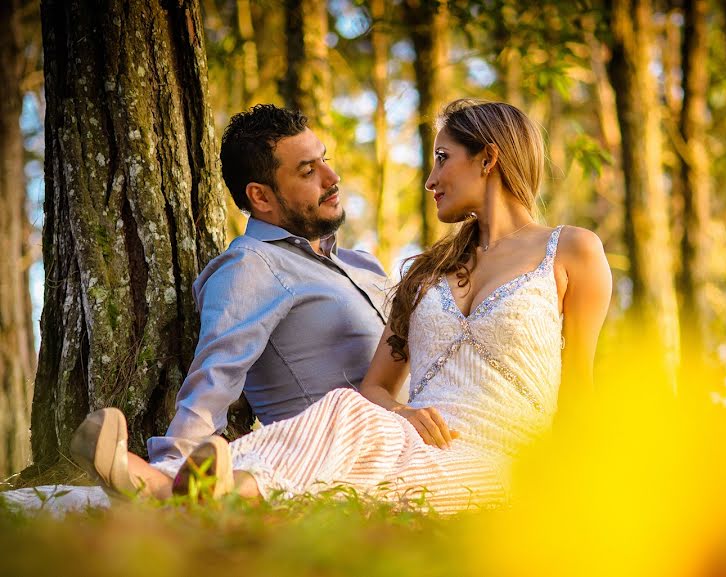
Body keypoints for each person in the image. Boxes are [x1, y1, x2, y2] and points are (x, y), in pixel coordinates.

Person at [70, 99, 613, 513]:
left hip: (507, 459)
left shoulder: (573, 251)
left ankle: (169, 486)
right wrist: (402, 413)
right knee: (347, 408)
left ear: (489, 158)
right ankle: (186, 486)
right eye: (308, 170)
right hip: (412, 442)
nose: (429, 179)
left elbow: (581, 394)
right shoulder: (424, 273)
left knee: (348, 415)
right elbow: (370, 387)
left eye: (443, 159)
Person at [147, 105, 392, 467]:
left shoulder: (361, 264)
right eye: (309, 171)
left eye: (324, 160)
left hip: (424, 443)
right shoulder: (251, 265)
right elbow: (215, 377)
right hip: (340, 462)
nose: (332, 177)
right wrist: (171, 467)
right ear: (261, 197)